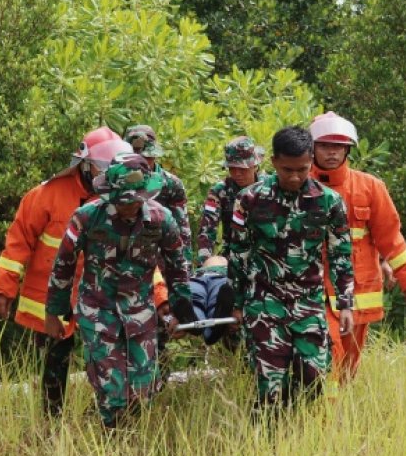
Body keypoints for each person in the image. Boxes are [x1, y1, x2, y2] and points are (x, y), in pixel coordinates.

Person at [44, 152, 196, 428]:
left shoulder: (162, 220)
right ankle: (111, 446)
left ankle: (129, 441)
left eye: (134, 201)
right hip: (98, 312)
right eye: (122, 201)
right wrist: (53, 313)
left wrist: (181, 312)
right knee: (113, 392)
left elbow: (177, 269)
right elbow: (63, 265)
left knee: (142, 392)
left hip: (140, 313)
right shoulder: (86, 218)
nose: (128, 207)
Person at [0, 126, 131, 416]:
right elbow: (18, 244)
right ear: (84, 164)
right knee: (54, 362)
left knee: (105, 359)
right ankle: (50, 422)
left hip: (100, 297)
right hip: (52, 300)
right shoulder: (46, 196)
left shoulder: (121, 198)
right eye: (102, 167)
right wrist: (4, 289)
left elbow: (141, 256)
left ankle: (106, 419)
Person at [228, 126, 354, 413]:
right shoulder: (249, 200)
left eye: (302, 169)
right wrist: (237, 304)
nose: (295, 177)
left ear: (311, 160)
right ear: (273, 162)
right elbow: (239, 255)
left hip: (307, 302)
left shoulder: (329, 202)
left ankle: (300, 438)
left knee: (313, 379)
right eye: (287, 170)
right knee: (270, 386)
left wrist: (345, 305)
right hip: (265, 301)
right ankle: (267, 442)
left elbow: (341, 254)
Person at [309, 112, 406, 380]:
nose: (332, 153)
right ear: (312, 147)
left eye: (338, 146)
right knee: (328, 359)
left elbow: (391, 238)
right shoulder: (299, 185)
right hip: (314, 292)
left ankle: (339, 417)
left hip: (358, 293)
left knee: (347, 368)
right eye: (325, 145)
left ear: (348, 148)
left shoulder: (370, 187)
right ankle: (325, 416)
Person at [124, 125, 192, 265]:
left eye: (147, 158)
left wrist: (185, 269)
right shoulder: (117, 182)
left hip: (159, 257)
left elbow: (182, 231)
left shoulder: (171, 184)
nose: (143, 164)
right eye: (138, 158)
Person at [197, 136, 264, 266]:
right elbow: (207, 230)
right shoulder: (220, 191)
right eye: (232, 168)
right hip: (232, 258)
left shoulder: (268, 188)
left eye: (242, 169)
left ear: (254, 165)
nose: (237, 174)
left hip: (264, 258)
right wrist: (205, 265)